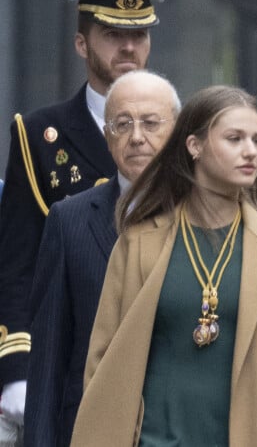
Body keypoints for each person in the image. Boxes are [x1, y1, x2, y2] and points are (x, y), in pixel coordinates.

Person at [70, 85, 257, 446]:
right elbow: (102, 360)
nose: (251, 151)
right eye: (234, 138)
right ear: (194, 146)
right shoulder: (139, 242)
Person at [0, 0, 164, 431]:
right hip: (74, 354)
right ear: (81, 43)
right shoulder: (40, 136)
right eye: (113, 35)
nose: (129, 48)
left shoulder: (179, 130)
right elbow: (17, 266)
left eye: (139, 35)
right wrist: (16, 371)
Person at [23, 70, 181, 447]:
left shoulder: (203, 219)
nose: (137, 137)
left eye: (151, 123)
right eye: (122, 124)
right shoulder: (69, 221)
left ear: (178, 135)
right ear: (108, 138)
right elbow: (48, 364)